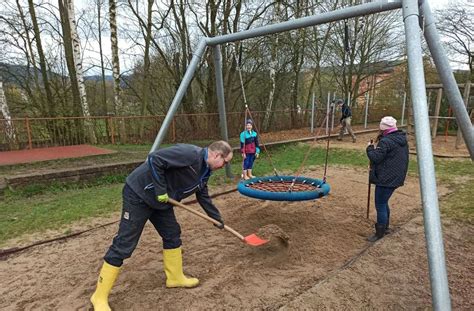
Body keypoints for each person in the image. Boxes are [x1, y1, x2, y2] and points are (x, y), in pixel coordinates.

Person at [90, 141, 233, 311]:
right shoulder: (189, 154)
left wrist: (215, 218)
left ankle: (175, 278)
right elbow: (154, 159)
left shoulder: (206, 170)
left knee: (172, 234)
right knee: (124, 245)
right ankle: (99, 297)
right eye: (225, 162)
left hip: (161, 202)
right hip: (139, 195)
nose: (225, 165)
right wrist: (160, 190)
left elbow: (202, 194)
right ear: (217, 155)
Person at [366, 116, 409, 242]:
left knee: (380, 204)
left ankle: (380, 232)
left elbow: (376, 157)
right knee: (384, 202)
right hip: (396, 175)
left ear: (384, 129)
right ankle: (385, 227)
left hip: (387, 178)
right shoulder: (401, 138)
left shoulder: (386, 141)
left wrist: (369, 148)